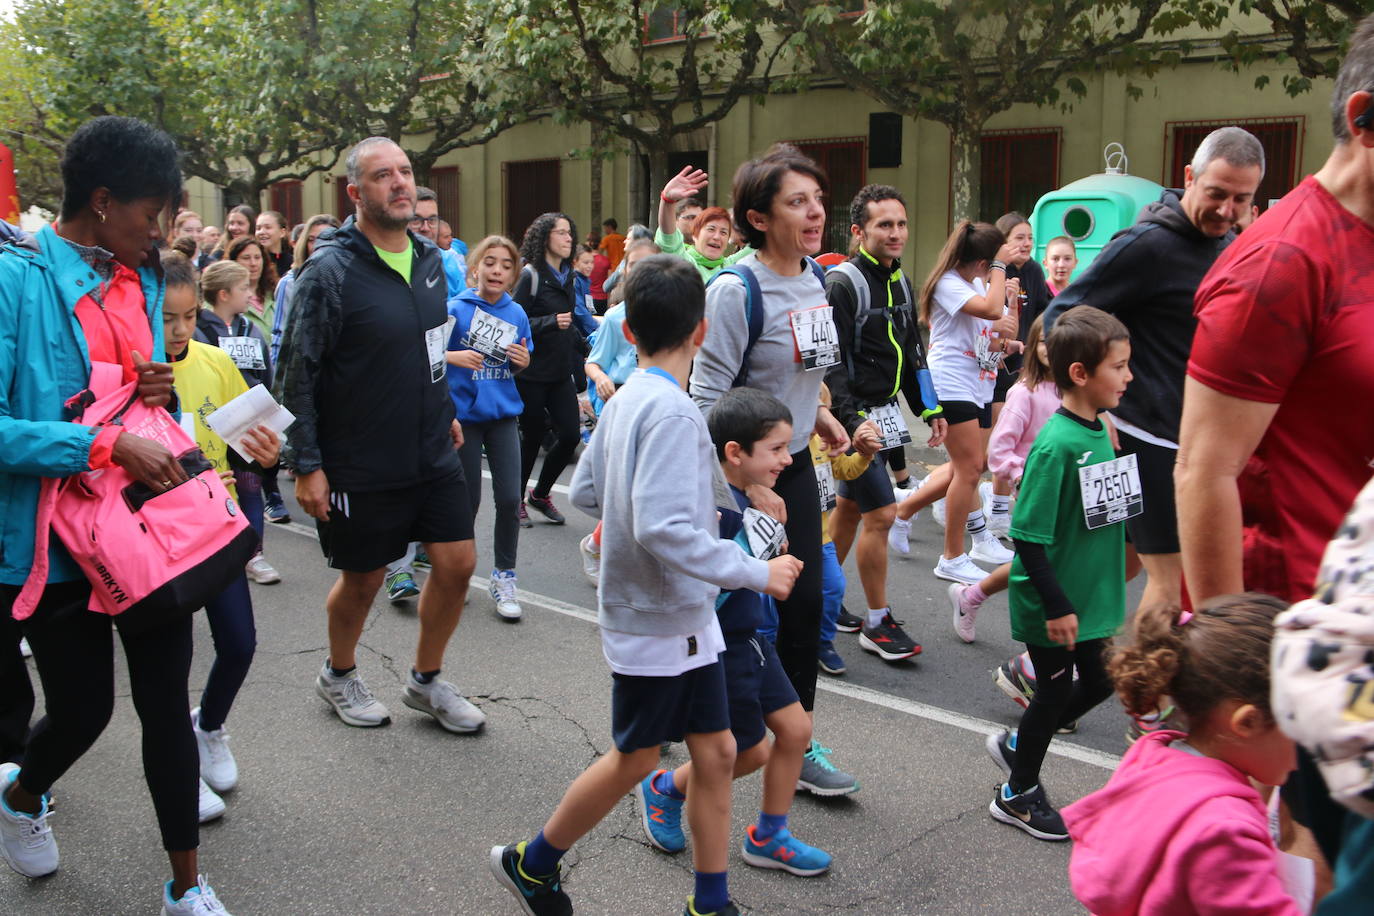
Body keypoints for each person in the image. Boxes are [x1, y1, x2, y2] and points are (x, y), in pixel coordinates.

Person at [489, 255, 803, 916]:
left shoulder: (627, 397)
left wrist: (636, 527)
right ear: (704, 331)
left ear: (627, 332)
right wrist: (755, 570)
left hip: (683, 620)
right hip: (658, 622)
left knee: (717, 751)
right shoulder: (676, 413)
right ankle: (531, 862)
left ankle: (711, 902)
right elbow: (664, 528)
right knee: (634, 759)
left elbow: (594, 494)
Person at [0, 115, 236, 914]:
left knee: (165, 703)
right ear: (101, 202)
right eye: (151, 213)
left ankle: (186, 885)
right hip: (52, 543)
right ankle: (24, 794)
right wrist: (102, 445)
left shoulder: (137, 275)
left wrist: (153, 387)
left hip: (144, 531)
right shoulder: (14, 279)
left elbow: (132, 391)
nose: (163, 233)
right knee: (83, 713)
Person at [1178, 20, 1374, 897]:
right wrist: (1233, 667)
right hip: (1306, 639)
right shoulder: (1283, 260)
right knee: (1313, 863)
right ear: (1366, 120)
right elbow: (1204, 470)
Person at [277, 136, 483, 735]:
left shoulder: (427, 261)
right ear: (355, 192)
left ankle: (425, 681)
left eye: (404, 172)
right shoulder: (329, 270)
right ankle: (338, 674)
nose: (398, 183)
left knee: (458, 563)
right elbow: (297, 372)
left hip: (430, 445)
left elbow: (431, 347)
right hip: (360, 460)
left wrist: (441, 405)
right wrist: (307, 463)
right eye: (381, 175)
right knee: (364, 579)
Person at [690, 143, 858, 796]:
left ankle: (799, 739)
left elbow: (801, 371)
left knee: (807, 604)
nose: (815, 212)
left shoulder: (818, 277)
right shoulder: (736, 291)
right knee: (741, 617)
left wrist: (820, 415)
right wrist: (748, 481)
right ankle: (719, 736)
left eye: (817, 199)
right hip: (738, 477)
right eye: (797, 202)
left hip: (791, 466)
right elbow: (707, 400)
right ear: (759, 218)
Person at [1044, 126, 1264, 611]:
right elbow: (1062, 316)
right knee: (1169, 581)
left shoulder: (1229, 245)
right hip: (1143, 438)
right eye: (1216, 194)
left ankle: (1039, 656)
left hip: (1191, 438)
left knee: (1117, 562)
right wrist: (1090, 409)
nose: (1227, 210)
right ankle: (1138, 686)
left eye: (1241, 200)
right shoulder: (1146, 245)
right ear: (1189, 177)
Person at [634, 387, 834, 877]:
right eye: (777, 450)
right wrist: (762, 568)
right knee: (748, 753)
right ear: (735, 453)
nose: (789, 459)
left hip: (749, 636)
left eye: (789, 447)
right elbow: (705, 583)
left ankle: (770, 836)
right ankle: (666, 789)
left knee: (795, 730)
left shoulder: (748, 494)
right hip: (717, 644)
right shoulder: (711, 509)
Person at [984, 306, 1133, 841]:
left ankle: (1022, 743)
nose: (1128, 376)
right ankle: (1017, 793)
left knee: (1100, 679)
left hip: (1087, 596)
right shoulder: (1056, 445)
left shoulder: (1099, 430)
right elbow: (1026, 536)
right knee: (1051, 693)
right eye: (1118, 366)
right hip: (1054, 601)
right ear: (1080, 374)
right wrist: (1058, 605)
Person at [1064, 595, 1302, 915]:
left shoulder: (1152, 755)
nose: (1313, 743)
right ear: (1247, 721)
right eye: (1303, 724)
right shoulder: (1227, 830)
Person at [161, 251, 281, 825]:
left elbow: (246, 436)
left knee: (239, 643)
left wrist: (264, 451)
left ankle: (208, 725)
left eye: (187, 316)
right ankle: (181, 771)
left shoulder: (213, 360)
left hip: (218, 526)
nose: (180, 330)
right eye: (165, 318)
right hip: (158, 543)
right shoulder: (132, 372)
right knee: (170, 661)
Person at [824, 184, 946, 659]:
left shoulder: (898, 279)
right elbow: (830, 363)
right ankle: (877, 623)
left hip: (883, 413)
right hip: (855, 418)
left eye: (900, 223)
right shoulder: (843, 284)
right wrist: (851, 422)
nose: (896, 233)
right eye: (884, 225)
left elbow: (913, 348)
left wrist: (929, 408)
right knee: (881, 514)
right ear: (859, 232)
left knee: (851, 512)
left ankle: (823, 599)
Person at [887, 221, 1020, 584]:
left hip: (977, 382)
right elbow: (992, 312)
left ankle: (907, 507)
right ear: (981, 262)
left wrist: (1009, 314)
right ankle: (952, 556)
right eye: (990, 263)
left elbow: (995, 333)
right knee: (971, 468)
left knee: (970, 465)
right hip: (950, 383)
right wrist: (1000, 267)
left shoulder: (977, 282)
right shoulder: (948, 282)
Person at [444, 236, 533, 621]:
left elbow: (518, 363)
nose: (497, 270)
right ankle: (458, 575)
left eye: (506, 265)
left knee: (511, 499)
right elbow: (425, 355)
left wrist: (523, 361)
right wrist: (454, 356)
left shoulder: (517, 314)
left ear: (513, 274)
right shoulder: (454, 309)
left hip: (503, 417)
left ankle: (504, 576)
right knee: (469, 502)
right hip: (464, 419)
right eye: (490, 263)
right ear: (475, 268)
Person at [952, 314, 1055, 644]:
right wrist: (1021, 475)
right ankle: (1046, 646)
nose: (1052, 349)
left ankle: (971, 597)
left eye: (1061, 343)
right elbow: (998, 450)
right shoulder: (1024, 393)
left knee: (1039, 565)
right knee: (1043, 569)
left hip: (1065, 491)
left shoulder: (1076, 392)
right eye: (1044, 342)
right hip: (1034, 492)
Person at [193, 260, 281, 586]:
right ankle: (213, 552)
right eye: (244, 289)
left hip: (247, 422)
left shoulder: (251, 329)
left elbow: (265, 374)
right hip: (212, 424)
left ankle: (254, 554)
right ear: (224, 293)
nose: (250, 294)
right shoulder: (199, 330)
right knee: (218, 491)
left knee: (251, 488)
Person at [513, 211, 583, 528]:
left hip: (559, 372)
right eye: (562, 233)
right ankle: (514, 499)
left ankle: (540, 495)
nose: (569, 238)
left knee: (569, 436)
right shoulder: (530, 275)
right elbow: (513, 321)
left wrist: (588, 348)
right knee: (531, 437)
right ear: (545, 237)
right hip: (530, 372)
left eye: (570, 233)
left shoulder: (567, 276)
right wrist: (548, 322)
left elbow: (570, 325)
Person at [986, 211, 1051, 537]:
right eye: (1019, 238)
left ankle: (999, 508)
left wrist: (1036, 355)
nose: (1026, 244)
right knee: (999, 442)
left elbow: (1044, 316)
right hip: (993, 367)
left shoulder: (1036, 272)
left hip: (1024, 368)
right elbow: (984, 319)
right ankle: (996, 512)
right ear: (1003, 243)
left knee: (1016, 443)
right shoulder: (995, 271)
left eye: (1029, 238)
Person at [811, 384, 874, 675]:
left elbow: (845, 470)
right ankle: (767, 643)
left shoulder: (823, 443)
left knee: (834, 587)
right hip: (783, 537)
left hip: (821, 537)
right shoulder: (782, 444)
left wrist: (864, 454)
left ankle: (822, 643)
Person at [655, 168, 751, 282]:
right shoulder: (684, 262)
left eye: (724, 232)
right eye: (711, 229)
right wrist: (667, 201)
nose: (716, 237)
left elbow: (760, 243)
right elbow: (669, 241)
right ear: (695, 235)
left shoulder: (732, 267)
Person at [271, 213, 340, 366]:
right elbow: (280, 336)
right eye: (311, 240)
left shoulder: (349, 281)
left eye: (327, 238)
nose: (318, 245)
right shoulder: (290, 283)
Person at [225, 235, 278, 340]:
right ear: (233, 262)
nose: (253, 263)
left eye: (257, 257)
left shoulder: (274, 292)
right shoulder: (225, 296)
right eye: (246, 258)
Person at [413, 186, 465, 294]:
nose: (425, 228)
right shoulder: (384, 264)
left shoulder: (449, 261)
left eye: (432, 220)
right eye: (416, 219)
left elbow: (462, 306)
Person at [255, 209, 292, 279]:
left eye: (268, 227)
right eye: (258, 228)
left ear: (282, 232)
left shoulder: (292, 262)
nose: (262, 232)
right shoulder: (254, 261)